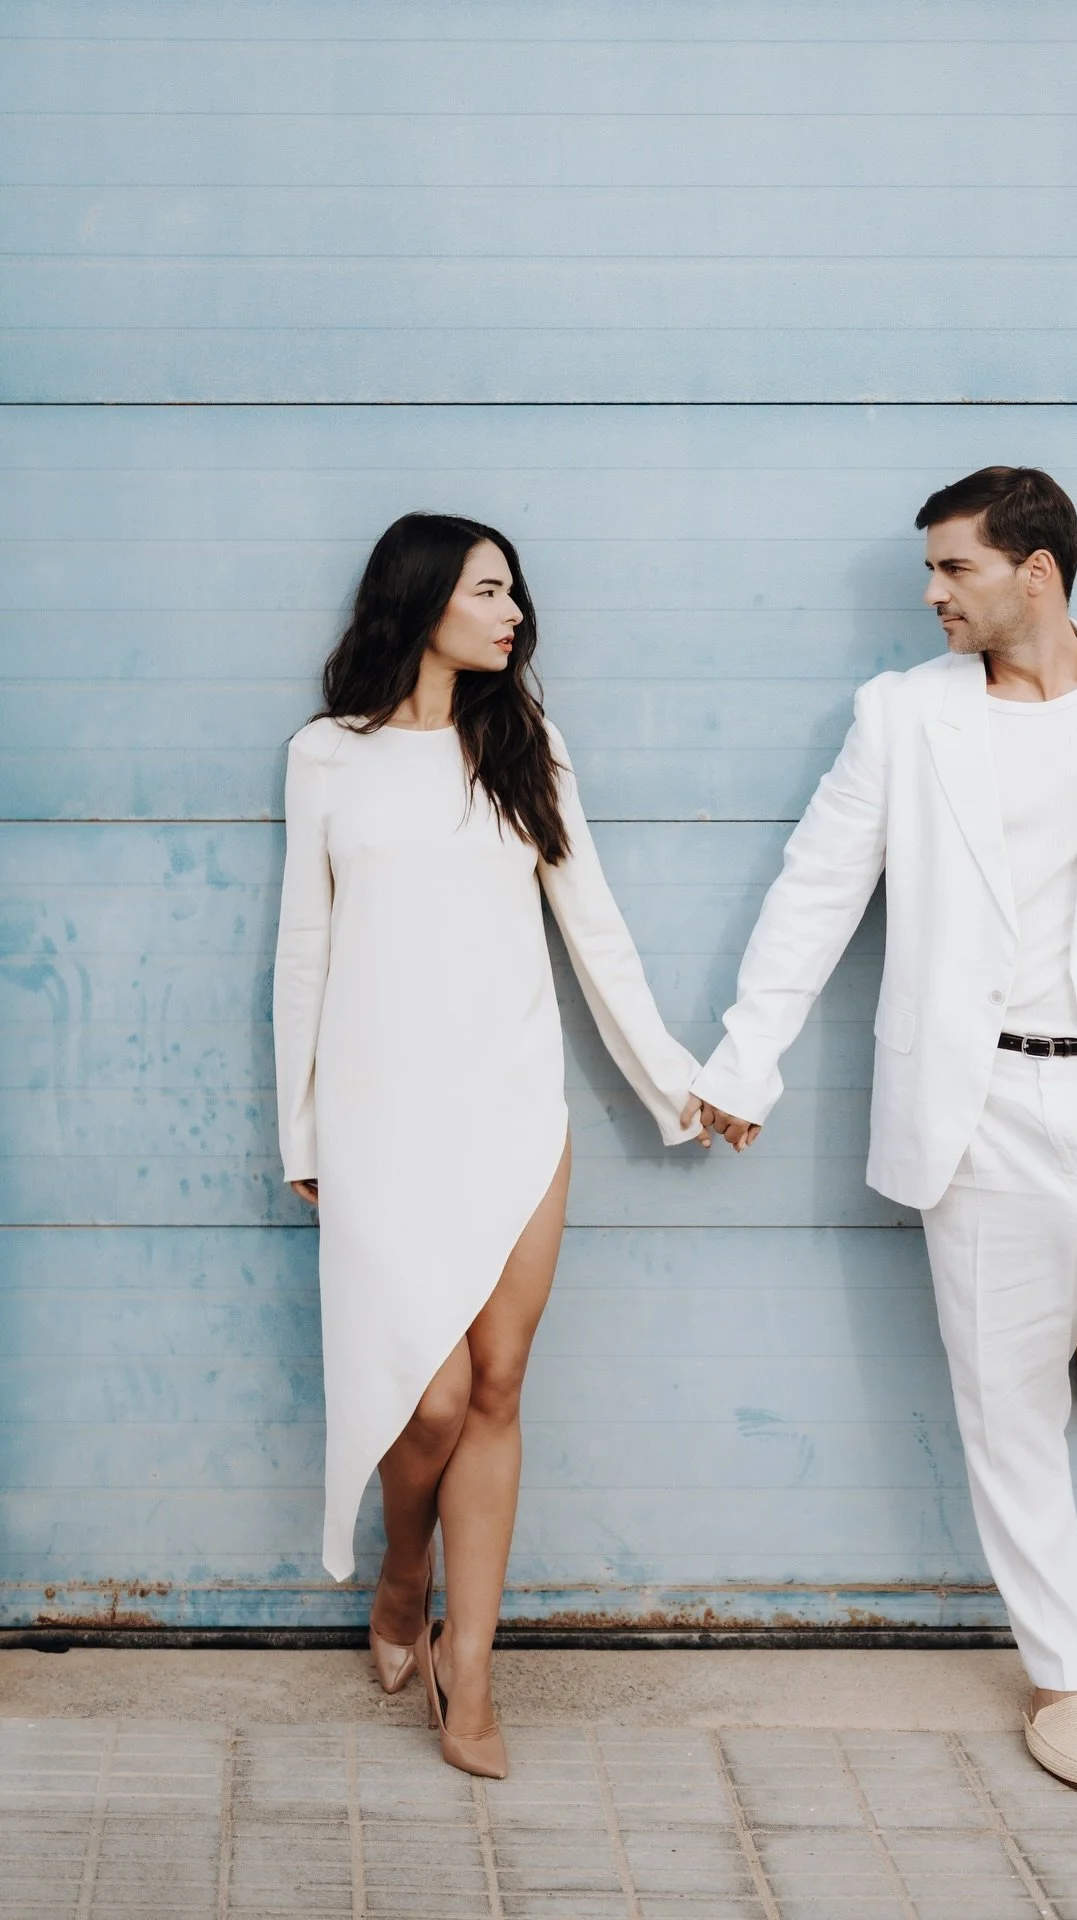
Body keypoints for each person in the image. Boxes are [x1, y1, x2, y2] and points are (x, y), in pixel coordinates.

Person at [683, 467, 1077, 1791]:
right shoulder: (903, 718)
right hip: (982, 1108)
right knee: (1005, 1413)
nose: (932, 593)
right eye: (931, 571)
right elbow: (815, 893)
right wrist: (746, 1058)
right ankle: (1065, 1679)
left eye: (955, 568)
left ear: (1040, 573)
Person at [274, 512, 707, 1778]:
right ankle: (404, 1569)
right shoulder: (326, 759)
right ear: (421, 600)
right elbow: (305, 947)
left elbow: (598, 931)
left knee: (500, 1386)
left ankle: (471, 1675)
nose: (513, 614)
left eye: (515, 593)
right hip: (377, 1118)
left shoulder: (526, 745)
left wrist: (677, 1088)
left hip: (513, 1106)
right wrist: (296, 1125)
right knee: (433, 1405)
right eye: (489, 590)